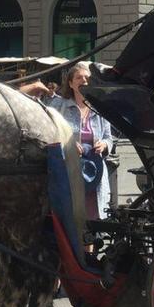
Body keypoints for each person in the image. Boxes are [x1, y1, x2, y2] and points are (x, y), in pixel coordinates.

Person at [50, 63, 114, 220]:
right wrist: (67, 144)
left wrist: (105, 144)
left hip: (93, 175)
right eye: (79, 77)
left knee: (90, 223)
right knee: (71, 219)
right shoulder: (58, 106)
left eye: (87, 78)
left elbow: (108, 137)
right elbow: (48, 135)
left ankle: (88, 245)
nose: (84, 80)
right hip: (68, 175)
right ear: (71, 83)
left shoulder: (100, 107)